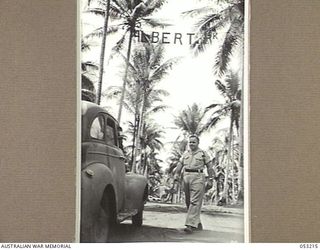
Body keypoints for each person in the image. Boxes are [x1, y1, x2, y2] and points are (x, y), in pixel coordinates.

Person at [173, 134, 214, 233]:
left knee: (194, 202)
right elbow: (180, 164)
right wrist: (176, 174)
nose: (191, 144)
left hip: (198, 177)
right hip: (186, 176)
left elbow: (209, 166)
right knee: (188, 202)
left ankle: (190, 225)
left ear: (198, 143)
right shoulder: (185, 153)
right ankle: (197, 222)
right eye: (190, 142)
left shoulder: (203, 153)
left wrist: (210, 179)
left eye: (193, 142)